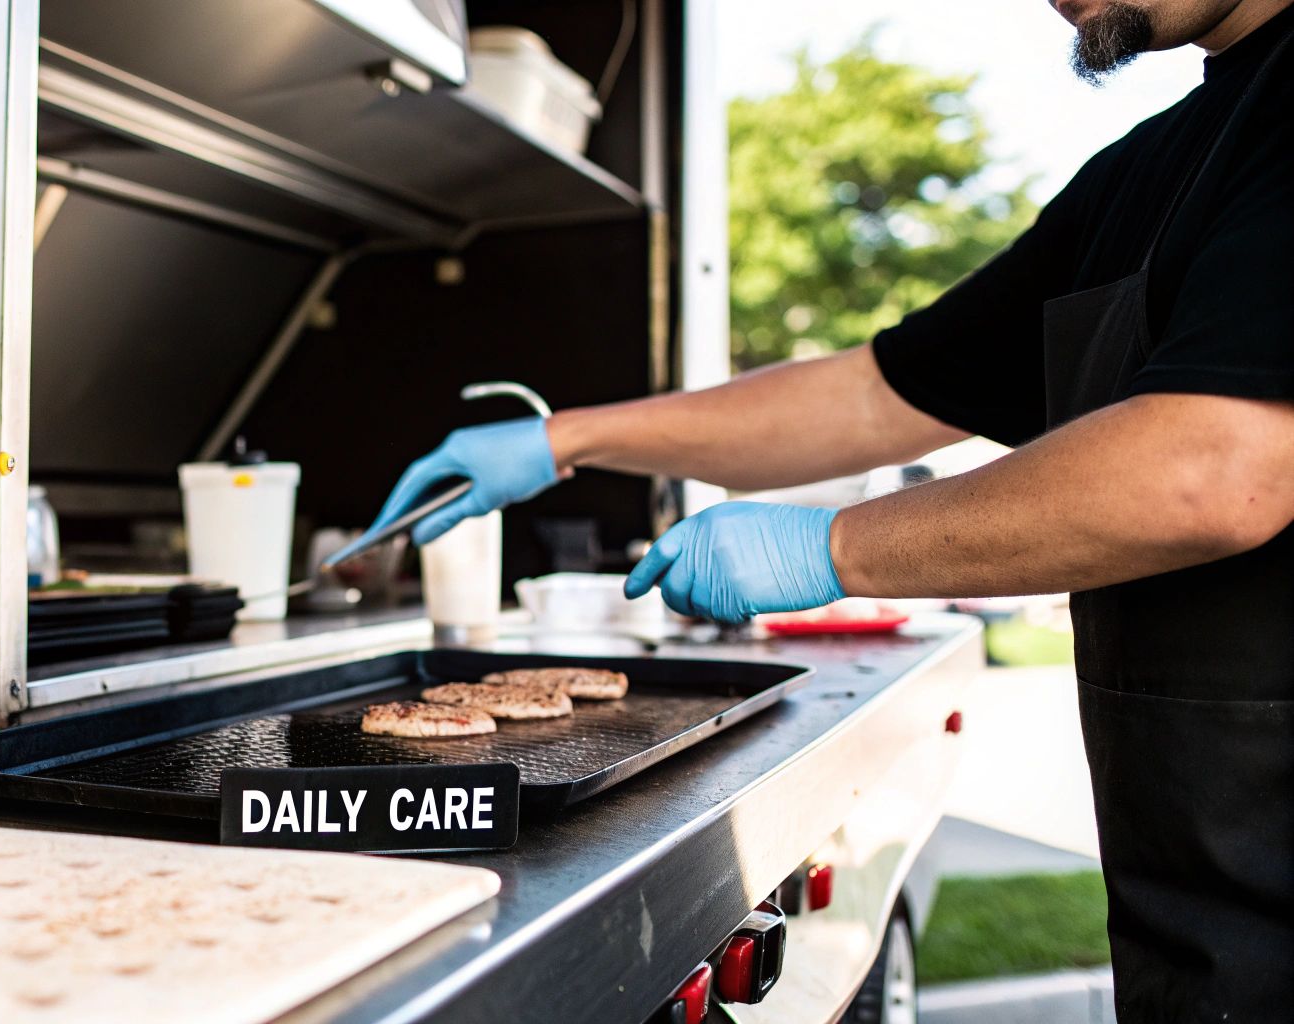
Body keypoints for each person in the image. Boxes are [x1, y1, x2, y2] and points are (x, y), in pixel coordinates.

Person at [365, 0, 1294, 1018]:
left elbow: (1216, 466)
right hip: (1198, 901)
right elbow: (877, 391)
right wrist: (563, 439)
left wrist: (831, 545)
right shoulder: (1150, 172)